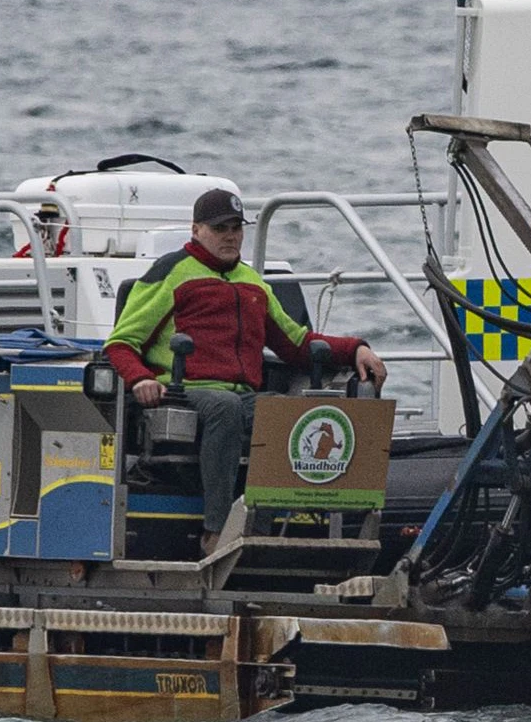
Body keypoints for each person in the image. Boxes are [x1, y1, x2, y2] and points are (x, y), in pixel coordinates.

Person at [106, 187, 385, 526]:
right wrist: (140, 379)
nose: (230, 236)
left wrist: (355, 348)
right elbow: (121, 343)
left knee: (285, 414)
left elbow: (296, 343)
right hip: (185, 392)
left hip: (241, 396)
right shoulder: (169, 272)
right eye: (219, 228)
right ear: (196, 230)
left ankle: (258, 529)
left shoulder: (253, 282)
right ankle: (217, 530)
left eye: (236, 228)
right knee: (226, 407)